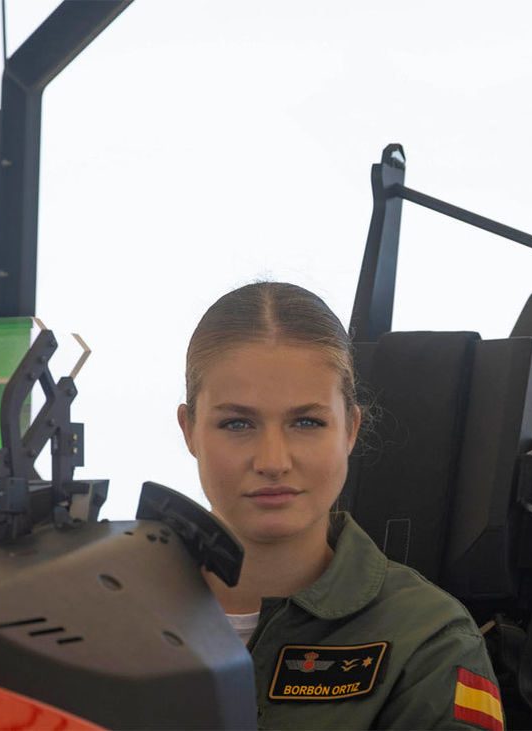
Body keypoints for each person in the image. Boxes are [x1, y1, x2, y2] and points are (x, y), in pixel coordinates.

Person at [175, 282, 504, 730]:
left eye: (307, 422)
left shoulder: (427, 643)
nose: (273, 461)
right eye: (237, 423)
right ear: (189, 429)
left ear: (350, 428)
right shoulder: (107, 606)